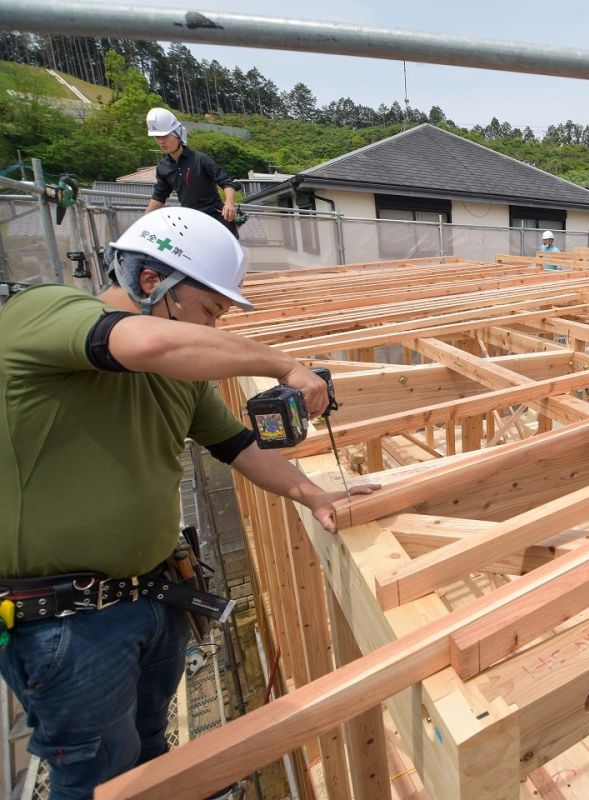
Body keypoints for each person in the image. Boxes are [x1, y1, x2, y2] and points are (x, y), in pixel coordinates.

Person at [0, 207, 376, 798]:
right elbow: (143, 342)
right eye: (210, 312)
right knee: (99, 778)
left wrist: (312, 492)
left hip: (152, 598)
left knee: (150, 750)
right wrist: (283, 362)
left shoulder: (182, 381)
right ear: (153, 283)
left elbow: (241, 447)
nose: (216, 330)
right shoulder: (45, 312)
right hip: (68, 628)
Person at [144, 107, 241, 239]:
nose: (161, 141)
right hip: (191, 223)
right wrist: (143, 222)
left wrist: (229, 203)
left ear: (177, 134)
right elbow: (159, 197)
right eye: (157, 137)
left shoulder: (201, 159)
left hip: (216, 219)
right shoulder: (163, 168)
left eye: (165, 136)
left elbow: (226, 182)